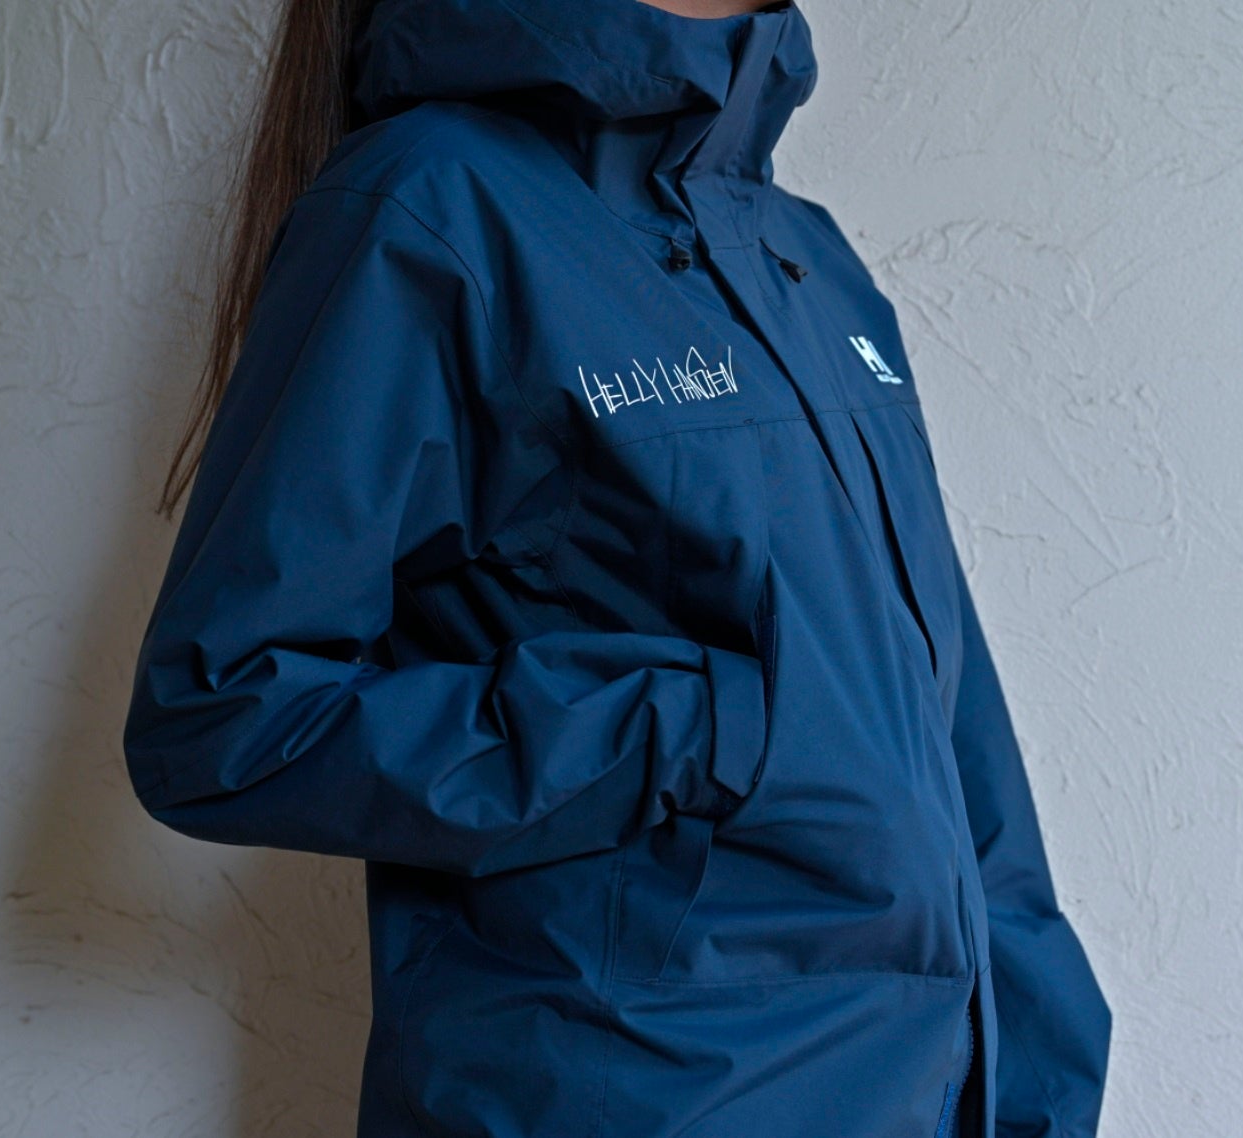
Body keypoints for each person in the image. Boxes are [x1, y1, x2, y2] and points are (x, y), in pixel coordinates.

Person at [120, 0, 1113, 1134]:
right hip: (642, 1095)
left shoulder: (808, 260)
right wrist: (680, 727)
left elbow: (952, 728)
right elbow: (221, 716)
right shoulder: (434, 207)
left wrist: (1043, 1071)